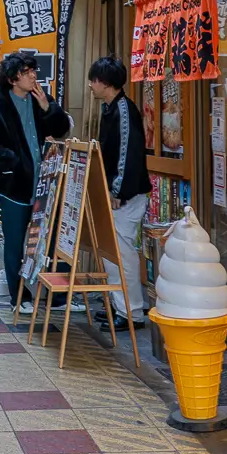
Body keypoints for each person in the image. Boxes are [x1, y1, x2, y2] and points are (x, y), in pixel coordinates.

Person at [0, 53, 71, 303]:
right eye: (27, 71)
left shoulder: (40, 98)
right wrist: (12, 165)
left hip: (44, 185)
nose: (33, 75)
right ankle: (19, 297)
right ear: (12, 78)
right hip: (15, 187)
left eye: (33, 70)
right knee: (15, 243)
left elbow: (62, 130)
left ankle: (54, 296)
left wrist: (48, 109)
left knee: (48, 241)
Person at [89, 55, 151, 326]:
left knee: (123, 254)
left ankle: (132, 312)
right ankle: (119, 304)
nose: (90, 85)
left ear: (105, 82)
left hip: (126, 197)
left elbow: (128, 155)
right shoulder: (111, 107)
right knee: (114, 254)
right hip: (119, 195)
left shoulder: (123, 110)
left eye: (93, 80)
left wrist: (117, 192)